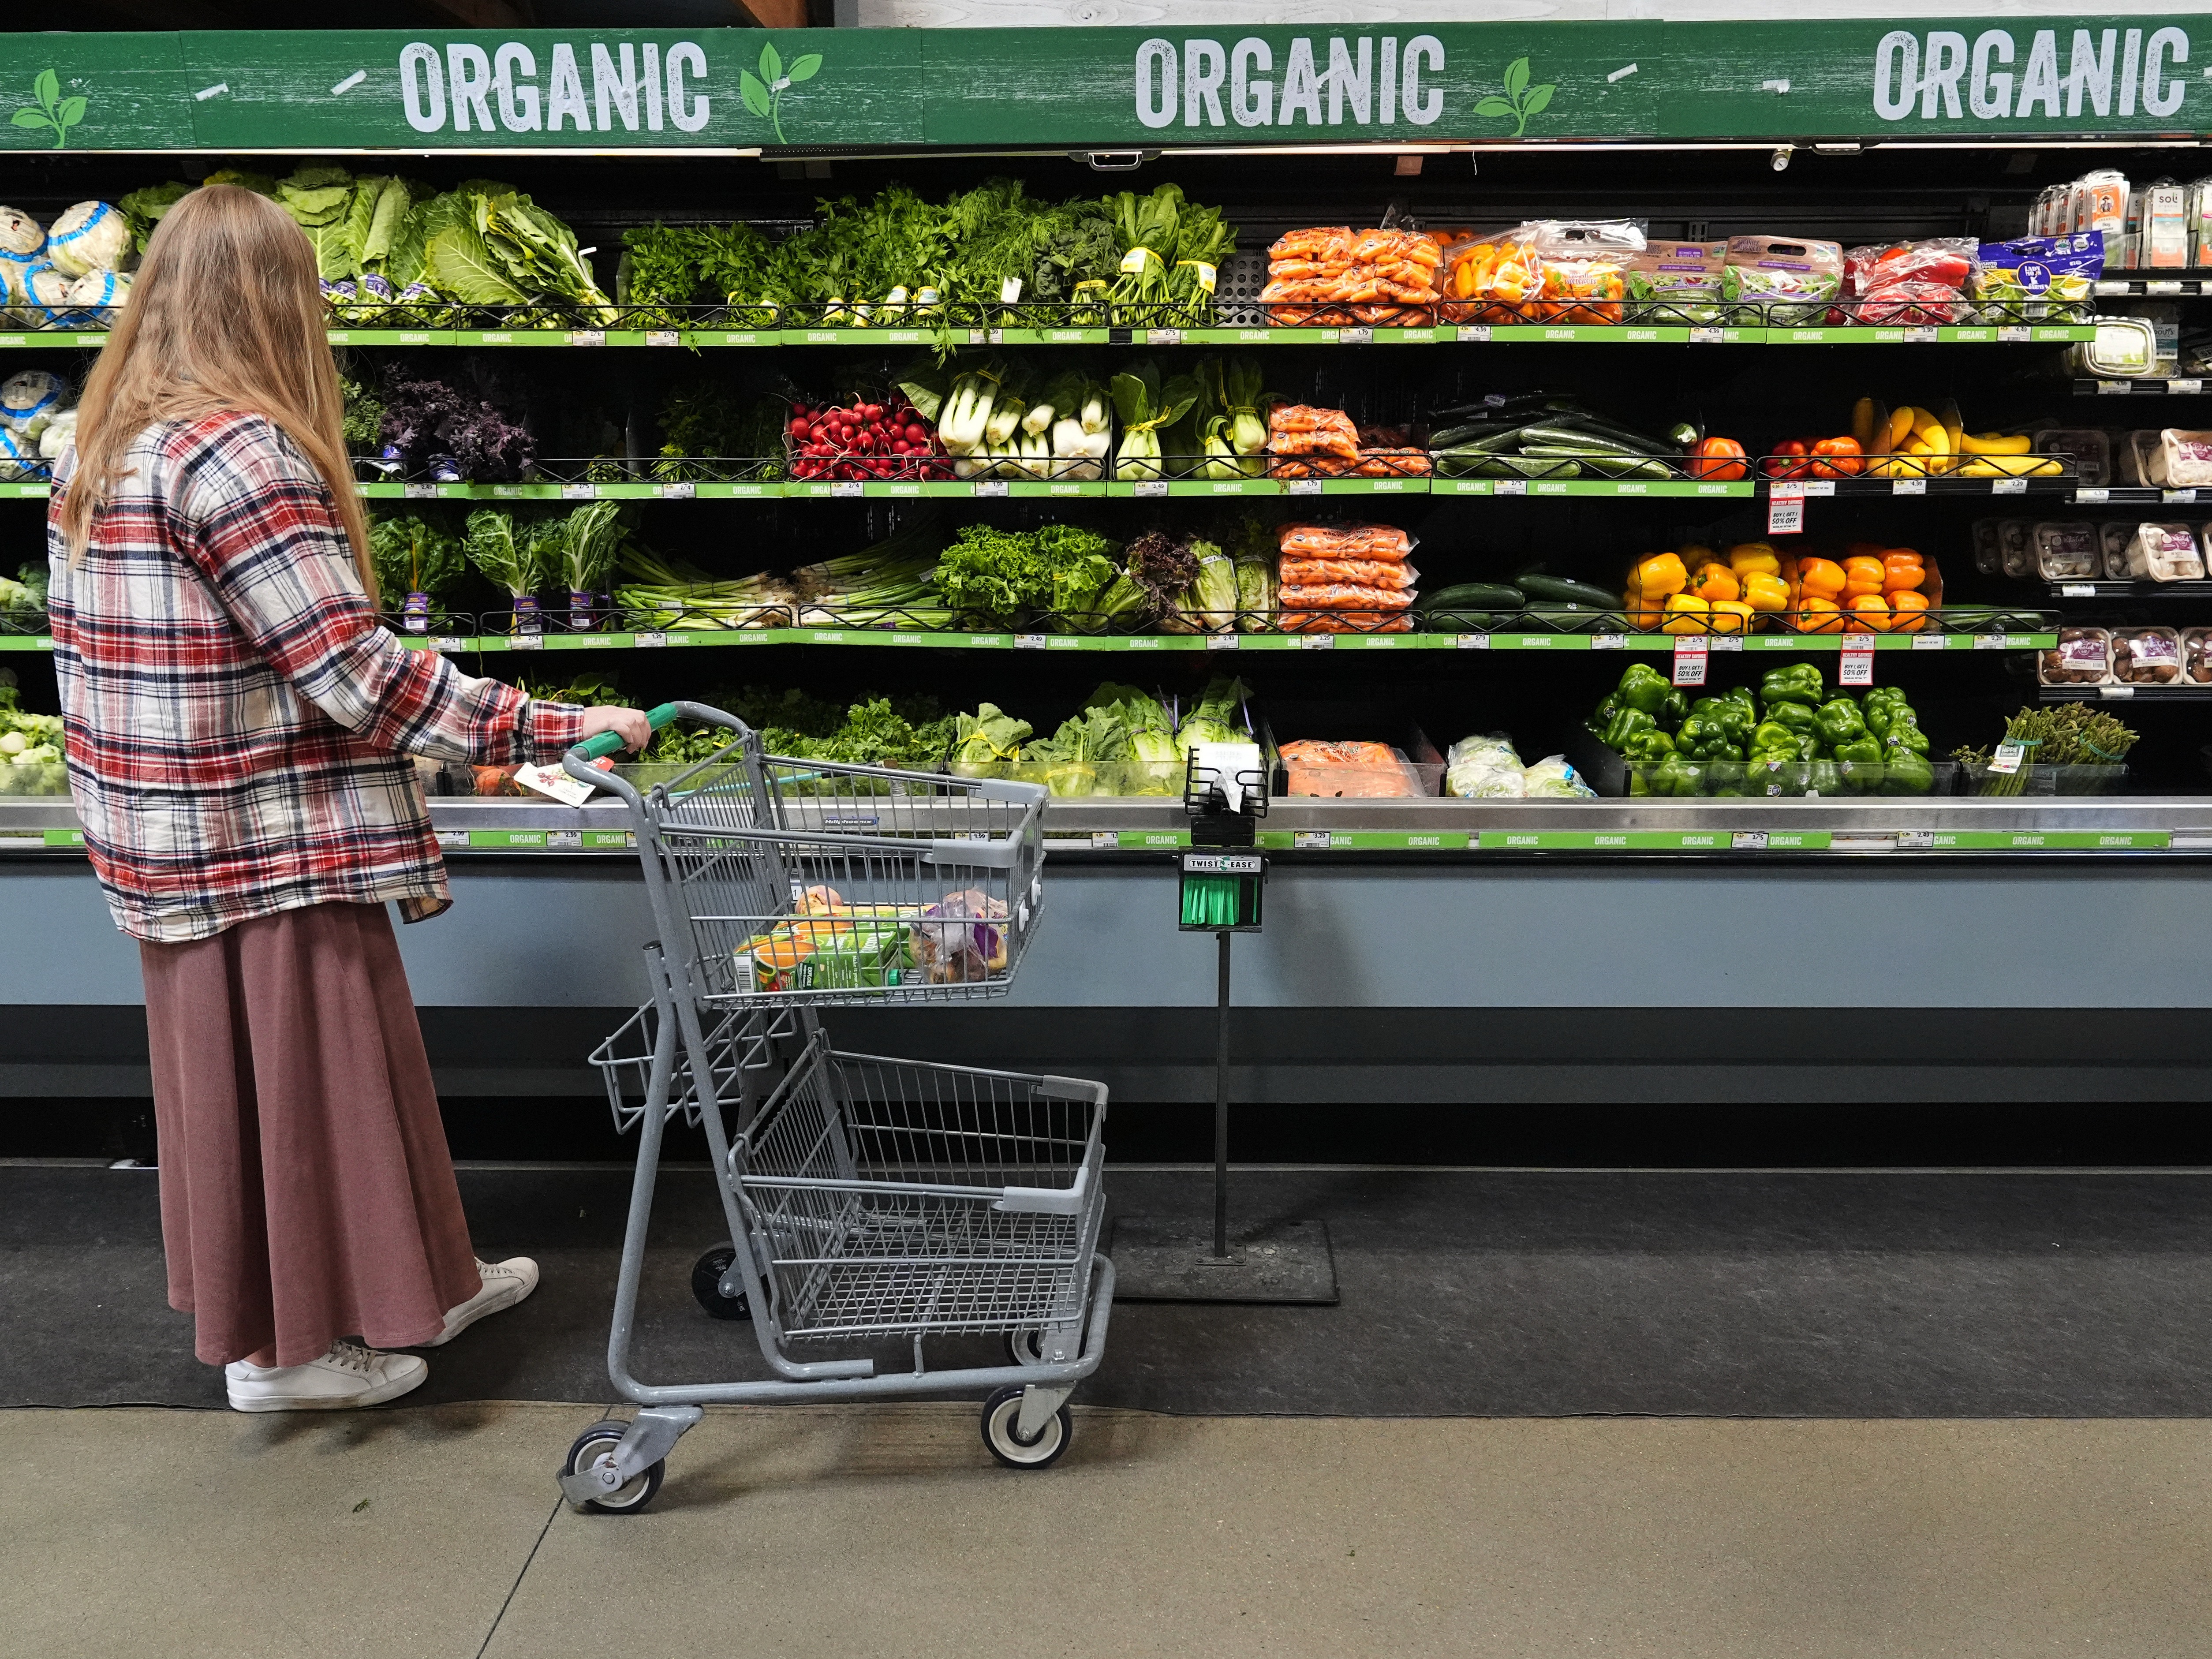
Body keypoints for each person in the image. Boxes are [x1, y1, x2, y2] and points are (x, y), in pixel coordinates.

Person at [46, 184, 650, 1412]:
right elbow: (353, 672)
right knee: (309, 1092)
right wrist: (553, 722)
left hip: (170, 837)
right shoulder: (241, 453)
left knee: (308, 1080)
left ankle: (418, 1282)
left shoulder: (104, 445)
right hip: (261, 834)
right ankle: (286, 1354)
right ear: (276, 307)